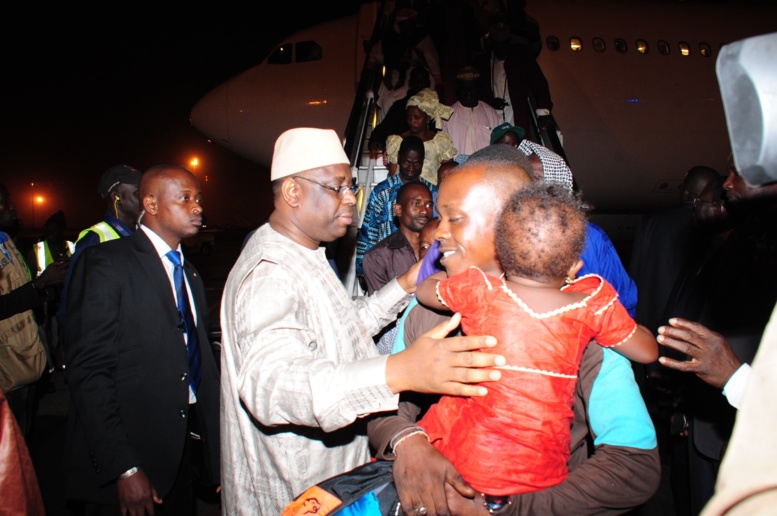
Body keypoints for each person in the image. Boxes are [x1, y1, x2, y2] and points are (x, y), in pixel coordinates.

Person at [218, 127, 508, 515]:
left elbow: (341, 326)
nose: (351, 198)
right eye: (336, 187)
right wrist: (398, 371)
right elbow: (271, 384)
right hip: (295, 492)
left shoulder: (305, 252)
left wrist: (406, 283)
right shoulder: (270, 272)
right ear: (292, 192)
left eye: (350, 186)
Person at [368, 148, 660, 515]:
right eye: (439, 216)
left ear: (507, 226)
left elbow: (633, 465)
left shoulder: (583, 323)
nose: (439, 231)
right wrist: (408, 443)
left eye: (454, 218)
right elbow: (382, 405)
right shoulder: (426, 309)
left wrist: (501, 508)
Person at [64, 165, 221, 515]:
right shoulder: (107, 262)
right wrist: (124, 466)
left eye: (198, 199)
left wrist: (217, 455)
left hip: (182, 451)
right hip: (134, 456)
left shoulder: (190, 273)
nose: (197, 207)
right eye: (185, 198)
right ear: (150, 203)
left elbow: (201, 369)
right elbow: (90, 373)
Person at [0, 182, 67, 437]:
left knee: (23, 441)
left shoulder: (5, 241)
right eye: (5, 200)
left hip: (24, 360)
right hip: (6, 367)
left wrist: (44, 289)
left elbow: (20, 288)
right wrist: (40, 284)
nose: (12, 206)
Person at [56, 164, 142, 354]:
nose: (145, 200)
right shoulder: (94, 240)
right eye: (138, 194)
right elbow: (73, 303)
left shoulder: (141, 236)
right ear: (117, 196)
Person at [364, 181, 434, 353]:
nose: (424, 210)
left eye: (429, 204)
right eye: (416, 203)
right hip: (397, 345)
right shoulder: (377, 257)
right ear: (398, 210)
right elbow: (382, 315)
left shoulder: (443, 249)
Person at [356, 136, 437, 278]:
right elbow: (368, 232)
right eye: (406, 162)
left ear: (423, 162)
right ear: (399, 158)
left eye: (416, 163)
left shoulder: (432, 192)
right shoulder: (382, 192)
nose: (411, 168)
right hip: (386, 267)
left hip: (424, 267)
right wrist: (363, 269)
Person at [474, 17, 553, 134]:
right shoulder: (484, 62)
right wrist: (491, 102)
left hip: (516, 113)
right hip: (491, 116)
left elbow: (539, 84)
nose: (500, 48)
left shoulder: (521, 56)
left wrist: (544, 113)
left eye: (503, 43)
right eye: (497, 43)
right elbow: (478, 90)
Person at [386, 88, 457, 185]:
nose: (412, 121)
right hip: (404, 193)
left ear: (427, 118)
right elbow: (393, 174)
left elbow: (448, 171)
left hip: (431, 194)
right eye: (409, 117)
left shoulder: (439, 141)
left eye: (417, 117)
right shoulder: (397, 141)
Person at [490, 122, 575, 192]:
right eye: (506, 144)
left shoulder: (533, 157)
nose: (514, 147)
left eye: (516, 143)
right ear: (495, 147)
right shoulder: (492, 169)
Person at [369, 66, 432, 156]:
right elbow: (386, 127)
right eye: (417, 81)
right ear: (410, 83)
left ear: (428, 84)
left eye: (423, 81)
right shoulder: (400, 106)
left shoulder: (437, 108)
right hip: (405, 157)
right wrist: (376, 140)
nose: (420, 84)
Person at [441, 66, 501, 160]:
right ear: (458, 90)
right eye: (464, 88)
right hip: (459, 170)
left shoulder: (490, 113)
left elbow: (499, 146)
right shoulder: (447, 116)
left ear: (478, 89)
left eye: (472, 88)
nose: (468, 92)